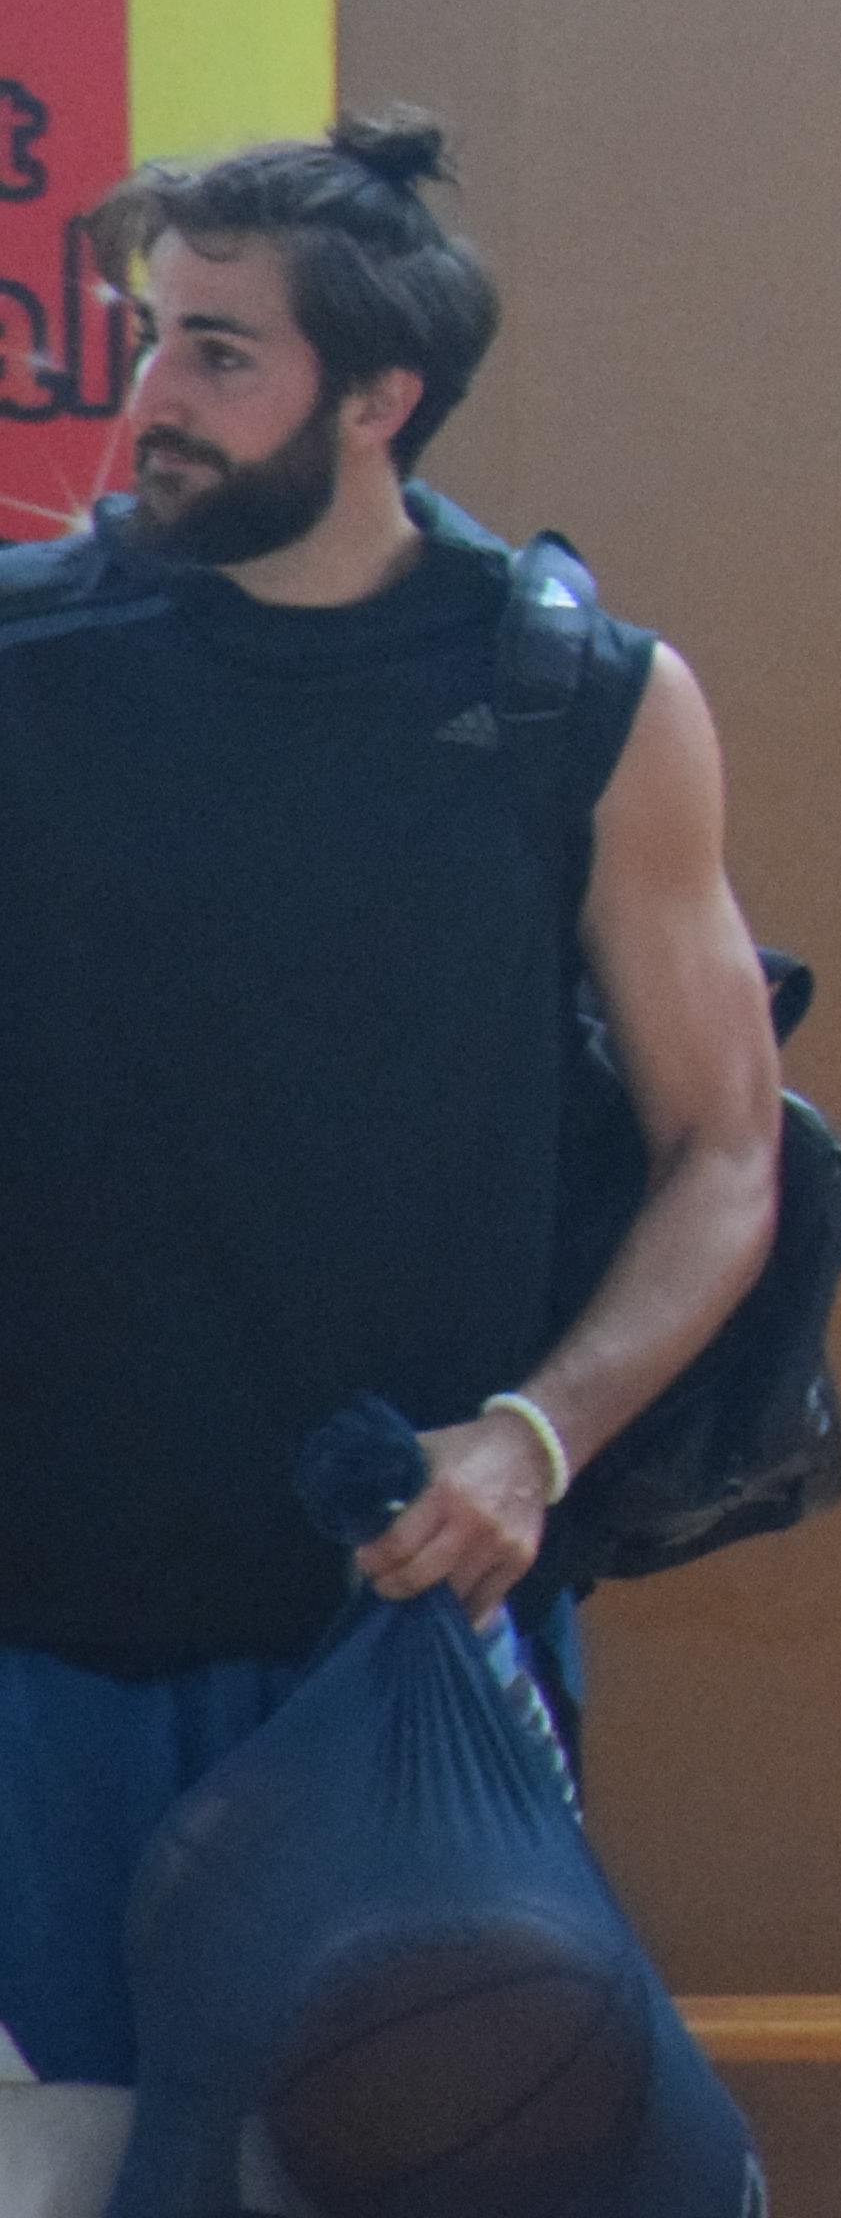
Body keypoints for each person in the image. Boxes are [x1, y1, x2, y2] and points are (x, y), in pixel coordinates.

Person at [0, 120, 785, 2214]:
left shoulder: (577, 699)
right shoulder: (22, 665)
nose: (151, 398)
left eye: (219, 353)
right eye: (151, 338)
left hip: (398, 1635)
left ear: (378, 398)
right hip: (39, 1650)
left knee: (429, 2172)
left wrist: (540, 1436)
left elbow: (726, 1151)